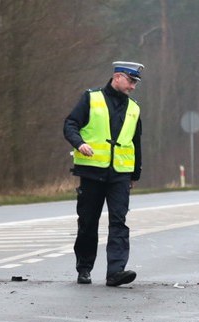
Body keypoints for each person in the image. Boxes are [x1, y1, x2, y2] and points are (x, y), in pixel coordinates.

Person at [63, 61, 144, 287]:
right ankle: (84, 268)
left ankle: (115, 272)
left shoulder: (134, 108)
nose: (133, 87)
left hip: (120, 174)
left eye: (135, 83)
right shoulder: (91, 98)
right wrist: (79, 144)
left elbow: (136, 143)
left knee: (119, 222)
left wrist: (134, 175)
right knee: (88, 222)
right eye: (130, 81)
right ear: (117, 77)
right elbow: (70, 124)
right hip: (92, 172)